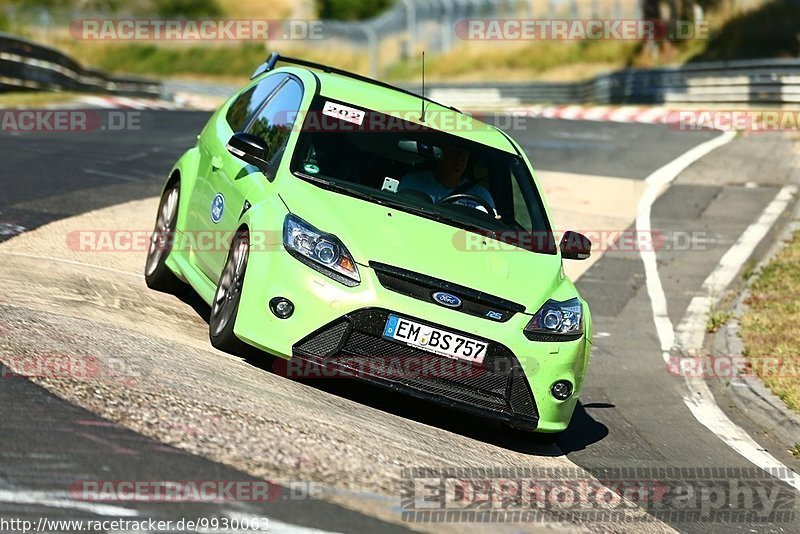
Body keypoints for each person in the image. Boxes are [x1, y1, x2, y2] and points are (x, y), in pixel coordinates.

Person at [398, 144, 495, 212]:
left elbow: (487, 224)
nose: (460, 159)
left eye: (464, 155)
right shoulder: (413, 182)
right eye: (455, 153)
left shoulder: (480, 195)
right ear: (440, 155)